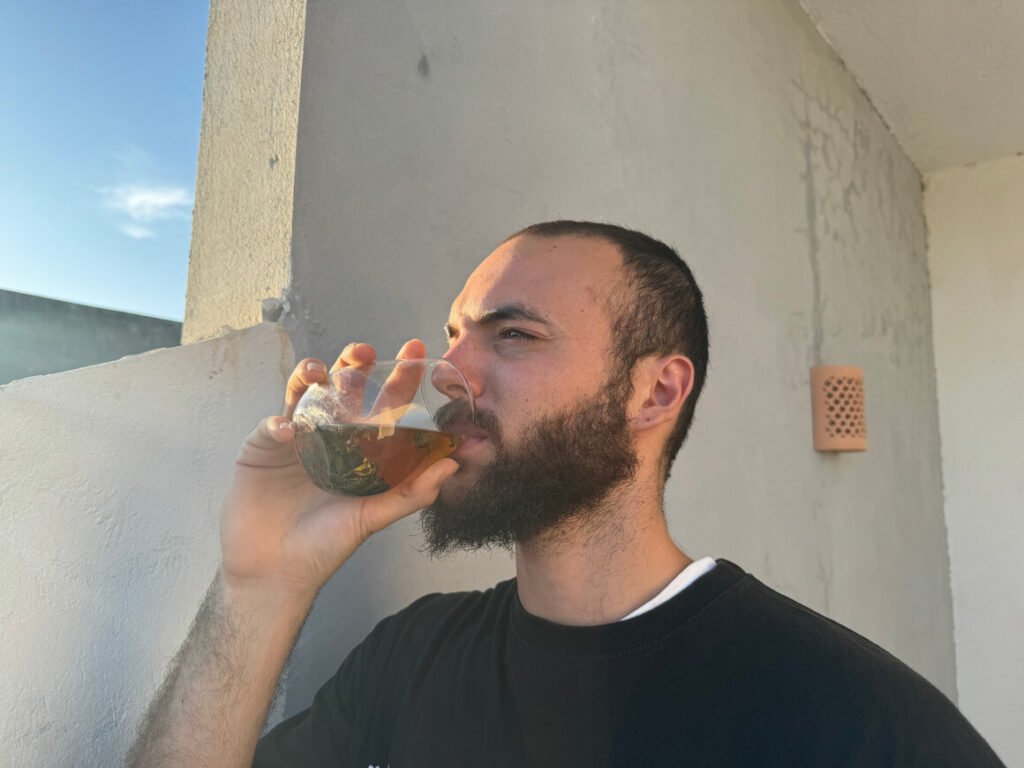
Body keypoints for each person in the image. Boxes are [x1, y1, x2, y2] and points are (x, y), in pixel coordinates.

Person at [126, 221, 1004, 767]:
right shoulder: (407, 664)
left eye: (514, 335)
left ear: (655, 392)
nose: (453, 373)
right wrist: (261, 585)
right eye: (455, 337)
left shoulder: (853, 721)